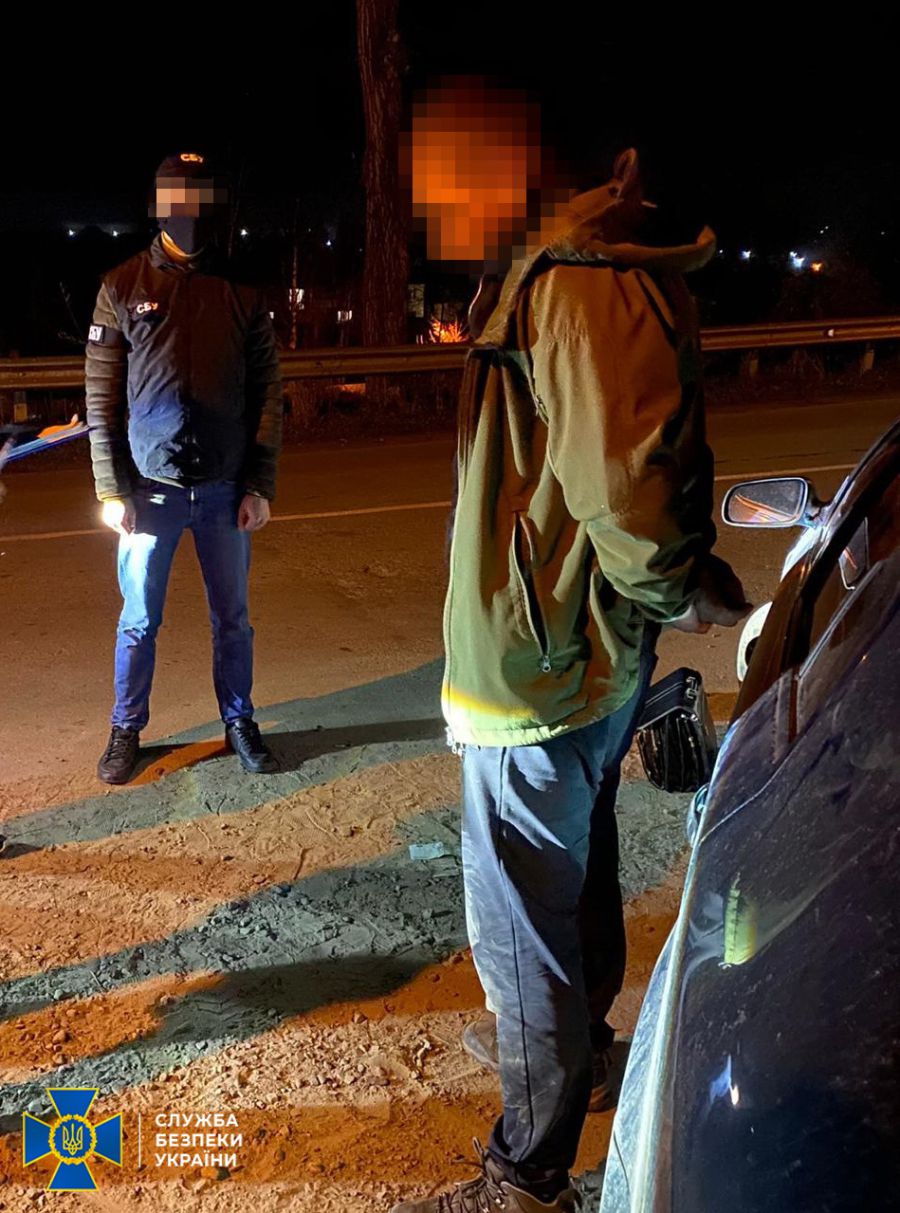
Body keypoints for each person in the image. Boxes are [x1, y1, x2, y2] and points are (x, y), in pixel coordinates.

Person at [394, 149, 750, 1213]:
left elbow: (626, 488)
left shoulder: (575, 283)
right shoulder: (566, 276)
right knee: (572, 873)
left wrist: (671, 586)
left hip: (539, 670)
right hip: (573, 653)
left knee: (521, 933)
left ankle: (529, 1172)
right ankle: (582, 1055)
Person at [85, 151, 283, 785]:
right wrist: (111, 488)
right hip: (150, 491)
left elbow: (267, 392)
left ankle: (239, 721)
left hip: (226, 490)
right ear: (160, 205)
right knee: (139, 620)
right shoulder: (122, 286)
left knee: (234, 620)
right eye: (179, 197)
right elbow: (100, 400)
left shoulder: (241, 289)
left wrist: (259, 484)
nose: (190, 212)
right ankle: (126, 727)